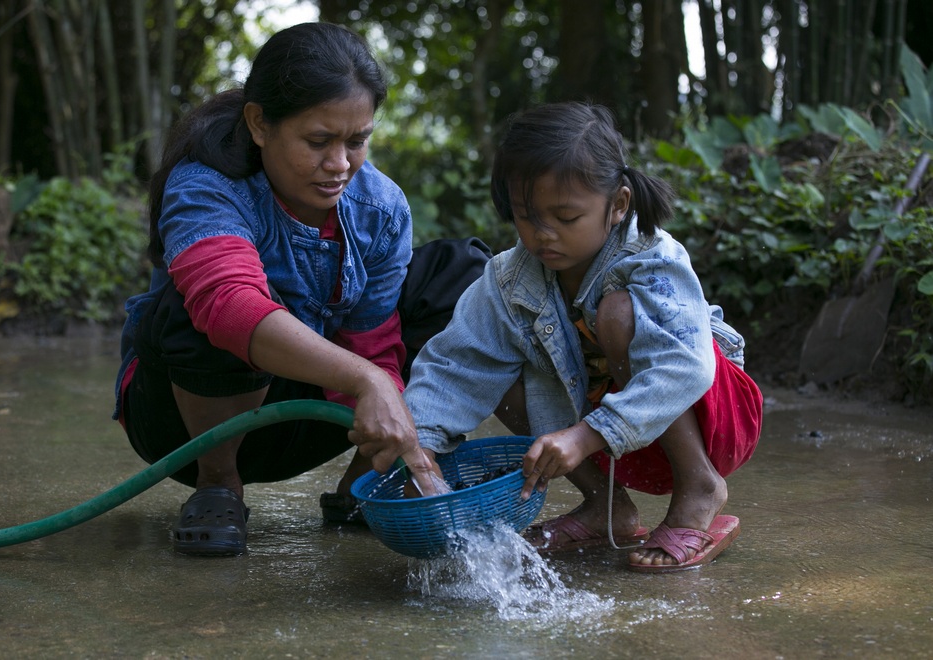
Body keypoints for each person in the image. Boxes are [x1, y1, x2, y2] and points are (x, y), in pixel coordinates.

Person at [112, 22, 489, 556]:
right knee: (202, 305)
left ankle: (367, 484)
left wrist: (386, 399)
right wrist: (367, 381)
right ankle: (219, 484)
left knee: (464, 276)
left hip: (310, 418)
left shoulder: (380, 208)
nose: (339, 165)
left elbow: (375, 341)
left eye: (357, 141)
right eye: (318, 142)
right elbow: (229, 307)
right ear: (260, 124)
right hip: (183, 429)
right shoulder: (205, 185)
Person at [402, 102, 763, 573]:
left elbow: (685, 367)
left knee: (617, 314)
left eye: (566, 218)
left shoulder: (653, 258)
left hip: (713, 418)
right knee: (500, 365)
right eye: (526, 217)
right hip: (606, 442)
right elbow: (455, 366)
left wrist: (585, 435)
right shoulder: (508, 281)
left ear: (617, 205)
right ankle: (605, 505)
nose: (542, 235)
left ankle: (700, 488)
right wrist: (420, 451)